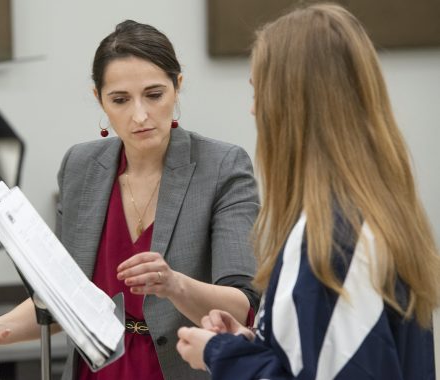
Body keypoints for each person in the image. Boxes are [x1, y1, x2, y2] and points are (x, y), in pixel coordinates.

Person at [0, 20, 261, 380]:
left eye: (154, 95)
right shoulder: (81, 167)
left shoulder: (222, 166)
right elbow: (67, 297)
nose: (139, 115)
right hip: (98, 370)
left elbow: (244, 304)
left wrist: (175, 285)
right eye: (120, 100)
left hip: (182, 368)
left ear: (177, 87)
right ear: (99, 99)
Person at [176, 3, 440, 379]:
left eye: (259, 90)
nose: (253, 109)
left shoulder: (333, 240)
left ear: (293, 103)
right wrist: (249, 342)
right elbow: (318, 357)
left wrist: (220, 354)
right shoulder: (366, 216)